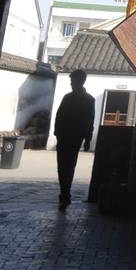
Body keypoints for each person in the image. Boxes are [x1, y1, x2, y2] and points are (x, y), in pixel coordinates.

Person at [54, 69, 95, 210]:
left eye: (72, 81)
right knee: (67, 166)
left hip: (69, 138)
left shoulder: (72, 98)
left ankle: (65, 194)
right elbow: (89, 121)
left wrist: (87, 139)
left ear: (79, 81)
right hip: (69, 138)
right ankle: (65, 194)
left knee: (64, 166)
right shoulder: (88, 100)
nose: (71, 84)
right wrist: (87, 139)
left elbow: (88, 121)